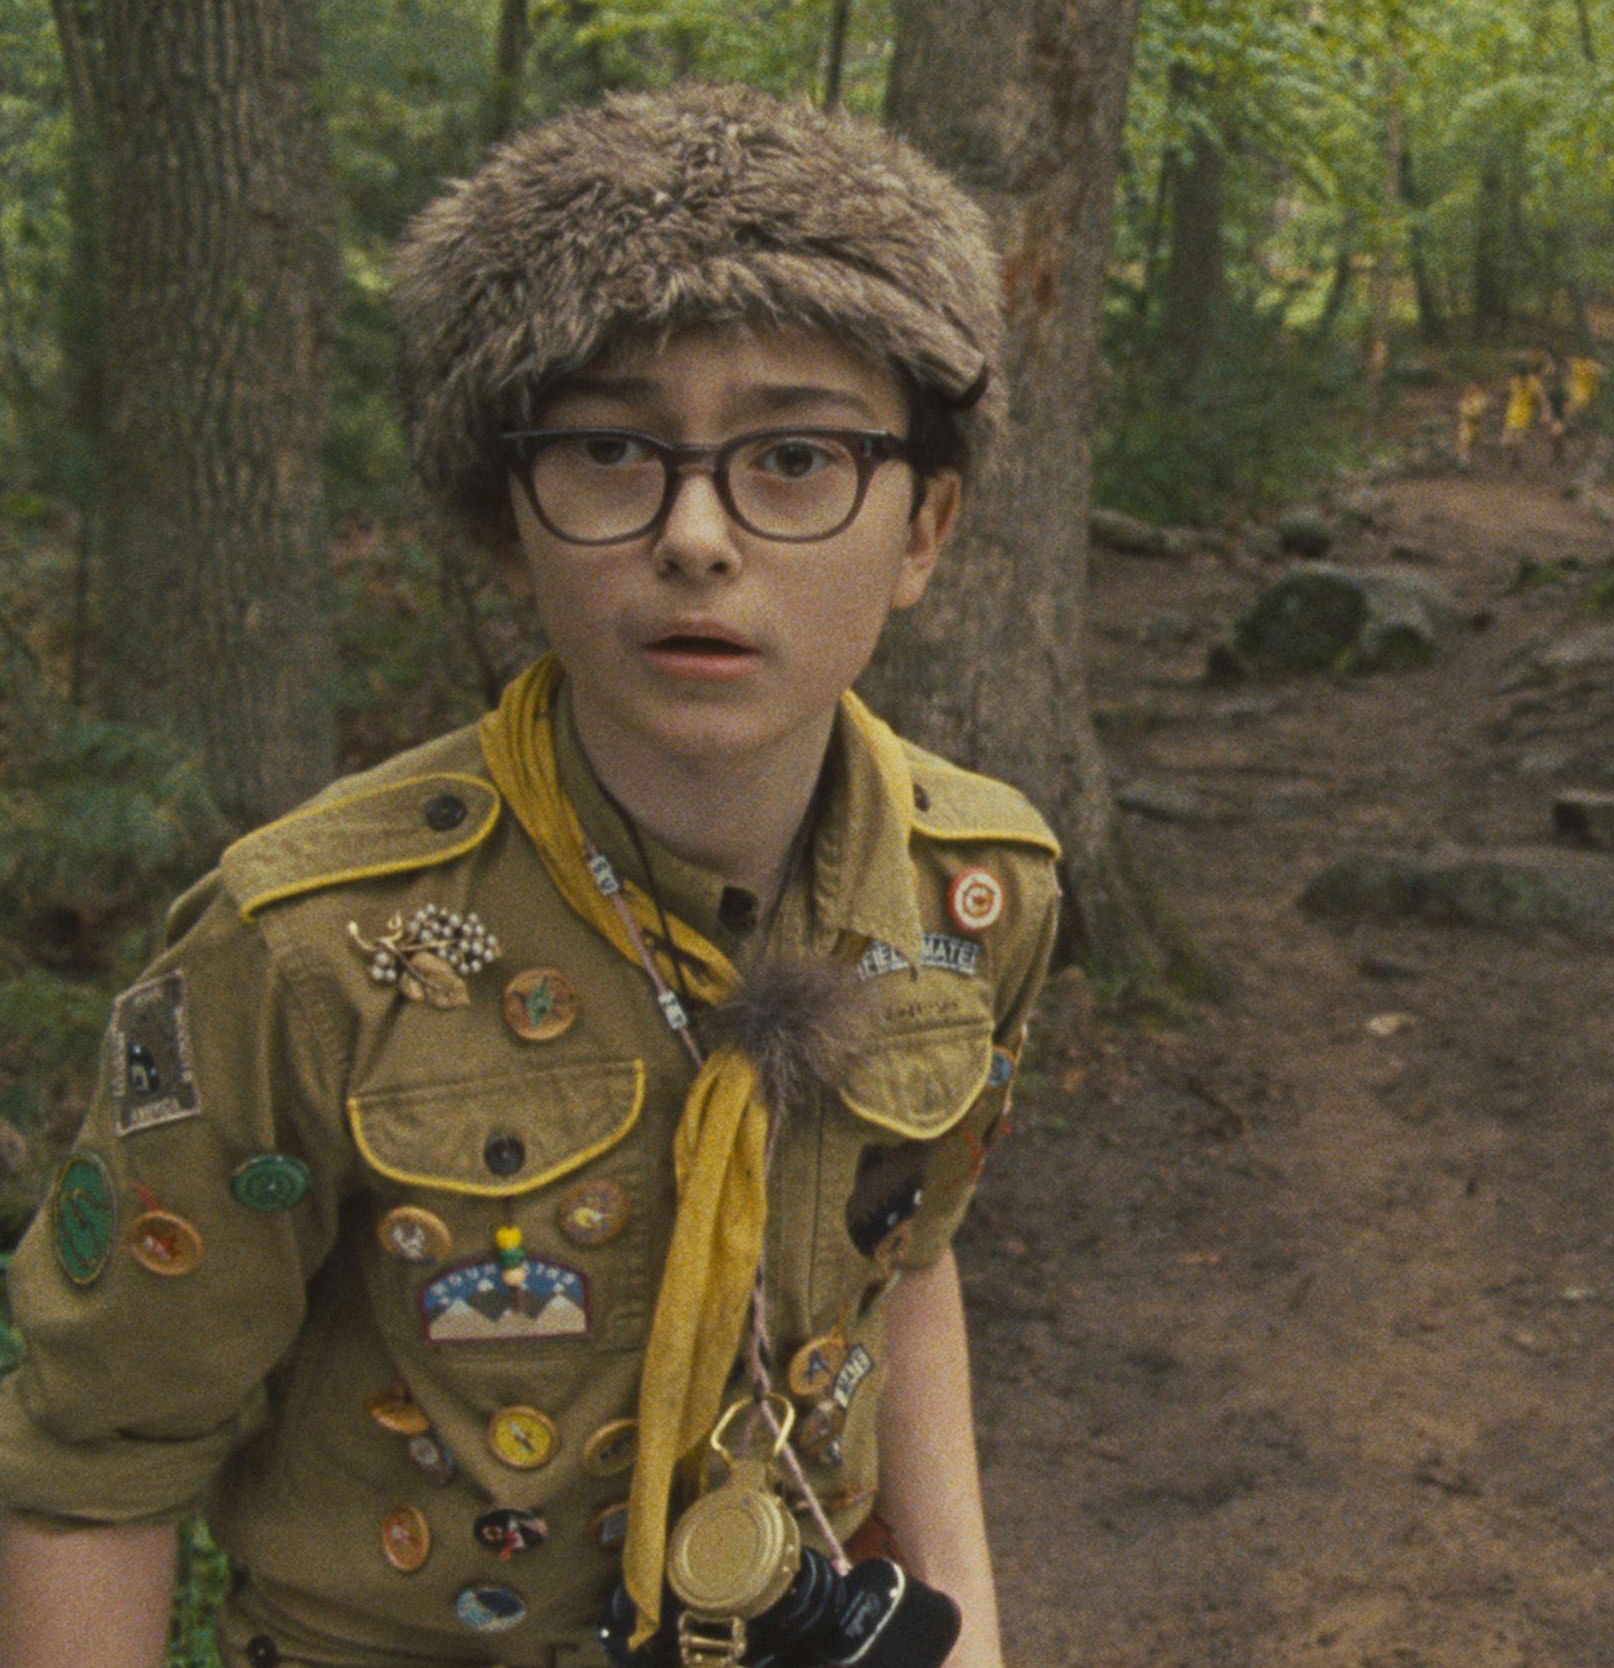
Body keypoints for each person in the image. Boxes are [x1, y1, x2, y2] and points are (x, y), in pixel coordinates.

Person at [0, 84, 1059, 1668]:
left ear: (925, 529)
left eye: (793, 456)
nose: (695, 534)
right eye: (611, 451)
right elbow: (97, 1464)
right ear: (512, 516)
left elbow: (905, 1260)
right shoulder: (305, 951)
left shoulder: (974, 893)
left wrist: (968, 1638)